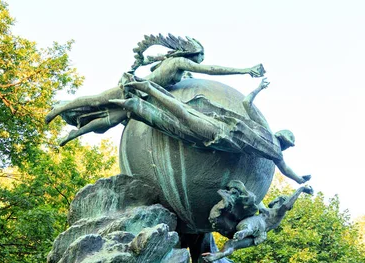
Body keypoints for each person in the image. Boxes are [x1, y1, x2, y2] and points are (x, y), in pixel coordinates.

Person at [45, 34, 265, 146]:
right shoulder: (178, 63)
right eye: (199, 57)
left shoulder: (173, 65)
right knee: (96, 101)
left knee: (110, 120)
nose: (201, 61)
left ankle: (75, 134)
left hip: (145, 96)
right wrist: (244, 70)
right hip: (134, 88)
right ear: (191, 55)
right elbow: (211, 70)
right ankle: (58, 109)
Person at [110, 77, 311, 185]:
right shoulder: (275, 151)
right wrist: (299, 179)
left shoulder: (265, 130)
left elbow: (246, 102)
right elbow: (286, 169)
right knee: (181, 119)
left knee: (179, 120)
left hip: (221, 129)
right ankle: (144, 93)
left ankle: (138, 101)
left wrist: (259, 88)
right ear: (284, 142)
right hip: (220, 135)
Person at [203, 185, 314, 262]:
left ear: (279, 201)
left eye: (277, 199)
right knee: (233, 244)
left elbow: (286, 204)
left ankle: (245, 231)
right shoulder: (266, 212)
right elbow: (258, 202)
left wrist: (302, 189)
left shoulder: (278, 213)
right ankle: (218, 255)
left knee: (251, 224)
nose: (274, 200)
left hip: (257, 226)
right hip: (257, 236)